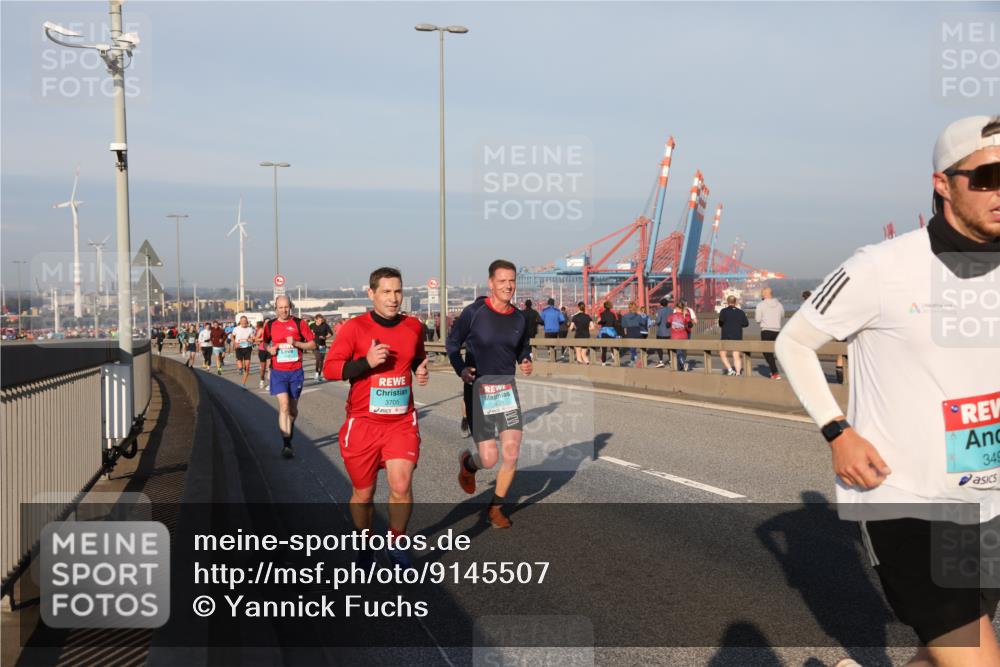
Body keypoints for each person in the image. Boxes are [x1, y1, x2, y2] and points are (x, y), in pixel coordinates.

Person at [776, 115, 1000, 667]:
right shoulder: (881, 267)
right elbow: (794, 343)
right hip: (907, 502)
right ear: (943, 185)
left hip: (989, 499)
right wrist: (838, 432)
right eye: (987, 177)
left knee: (946, 648)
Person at [324, 267, 429, 567]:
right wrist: (365, 363)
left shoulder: (413, 327)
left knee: (401, 485)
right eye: (386, 291)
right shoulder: (355, 328)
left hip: (400, 422)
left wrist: (420, 368)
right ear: (371, 294)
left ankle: (396, 544)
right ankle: (365, 541)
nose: (394, 298)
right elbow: (330, 369)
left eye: (398, 291)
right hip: (363, 423)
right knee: (363, 493)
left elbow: (417, 356)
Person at [447, 259, 533, 529]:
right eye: (502, 281)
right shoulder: (475, 312)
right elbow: (452, 343)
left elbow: (522, 347)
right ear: (491, 283)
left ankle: (496, 508)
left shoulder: (519, 317)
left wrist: (526, 359)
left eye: (512, 280)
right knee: (489, 458)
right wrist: (461, 369)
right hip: (478, 390)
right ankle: (468, 464)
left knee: (511, 453)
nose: (508, 286)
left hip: (506, 390)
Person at [263, 296, 316, 458]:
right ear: (276, 309)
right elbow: (264, 343)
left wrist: (296, 344)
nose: (284, 310)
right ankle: (286, 444)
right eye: (280, 307)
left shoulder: (300, 323)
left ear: (290, 307)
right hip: (278, 372)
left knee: (292, 410)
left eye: (286, 307)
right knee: (284, 406)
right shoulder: (270, 325)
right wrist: (269, 349)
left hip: (296, 372)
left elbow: (313, 344)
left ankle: (289, 429)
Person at [755, 287, 785, 379]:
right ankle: (778, 370)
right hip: (777, 331)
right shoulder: (779, 305)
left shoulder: (761, 305)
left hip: (766, 331)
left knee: (767, 352)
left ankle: (775, 372)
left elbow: (757, 319)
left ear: (764, 294)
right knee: (775, 352)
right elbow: (783, 316)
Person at [717, 295, 749, 376]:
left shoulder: (723, 311)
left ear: (727, 302)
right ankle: (738, 373)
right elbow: (746, 324)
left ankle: (730, 370)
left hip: (726, 336)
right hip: (737, 336)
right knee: (736, 355)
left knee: (722, 353)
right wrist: (738, 324)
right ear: (735, 302)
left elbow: (720, 323)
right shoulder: (741, 312)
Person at [231, 315, 256, 389]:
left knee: (247, 367)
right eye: (243, 321)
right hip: (239, 347)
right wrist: (235, 343)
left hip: (247, 347)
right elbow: (232, 336)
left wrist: (251, 340)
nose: (244, 322)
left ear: (247, 321)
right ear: (240, 322)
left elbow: (252, 338)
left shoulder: (250, 329)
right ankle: (240, 369)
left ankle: (243, 384)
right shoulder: (236, 329)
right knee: (240, 362)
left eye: (245, 321)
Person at [667, 302, 692, 371]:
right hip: (684, 336)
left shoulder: (671, 316)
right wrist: (685, 325)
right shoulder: (686, 316)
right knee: (682, 352)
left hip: (675, 337)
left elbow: (667, 325)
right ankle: (680, 366)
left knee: (678, 352)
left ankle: (683, 364)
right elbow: (690, 325)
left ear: (676, 308)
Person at [540, 297, 565, 361]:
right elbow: (562, 320)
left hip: (548, 330)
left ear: (548, 303)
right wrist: (557, 323)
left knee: (548, 344)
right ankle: (554, 356)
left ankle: (550, 354)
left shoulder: (545, 311)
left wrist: (545, 323)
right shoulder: (558, 311)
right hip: (556, 330)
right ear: (554, 304)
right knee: (554, 344)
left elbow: (541, 320)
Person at [310, 314, 333, 382]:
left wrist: (325, 337)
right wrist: (311, 334)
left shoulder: (325, 325)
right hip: (314, 344)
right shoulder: (312, 325)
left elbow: (330, 333)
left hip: (322, 345)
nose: (320, 321)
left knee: (322, 360)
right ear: (315, 320)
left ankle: (319, 375)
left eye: (321, 320)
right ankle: (316, 373)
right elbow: (307, 333)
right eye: (319, 320)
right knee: (318, 358)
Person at [621, 301, 645, 367]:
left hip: (630, 332)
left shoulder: (625, 316)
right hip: (637, 332)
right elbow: (642, 323)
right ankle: (635, 360)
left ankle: (635, 360)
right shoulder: (638, 316)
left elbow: (623, 326)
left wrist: (625, 333)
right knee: (635, 348)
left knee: (632, 348)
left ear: (629, 308)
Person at [596, 301, 619, 366]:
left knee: (604, 349)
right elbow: (615, 323)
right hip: (612, 331)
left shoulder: (602, 313)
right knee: (614, 347)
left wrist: (599, 322)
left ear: (604, 306)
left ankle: (603, 363)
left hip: (604, 332)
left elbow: (603, 321)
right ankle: (616, 360)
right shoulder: (613, 314)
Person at [653, 298, 673, 368]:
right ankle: (671, 360)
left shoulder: (659, 311)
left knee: (659, 347)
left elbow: (658, 321)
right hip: (669, 332)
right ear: (667, 303)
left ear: (661, 304)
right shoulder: (671, 310)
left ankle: (661, 361)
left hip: (661, 332)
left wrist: (654, 322)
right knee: (669, 347)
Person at [255, 320, 270, 390]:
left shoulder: (272, 329)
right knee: (263, 368)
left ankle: (270, 384)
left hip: (270, 350)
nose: (267, 323)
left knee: (269, 367)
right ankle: (262, 380)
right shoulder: (261, 330)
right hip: (262, 350)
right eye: (266, 322)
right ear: (264, 323)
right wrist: (262, 339)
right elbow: (256, 338)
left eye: (269, 322)